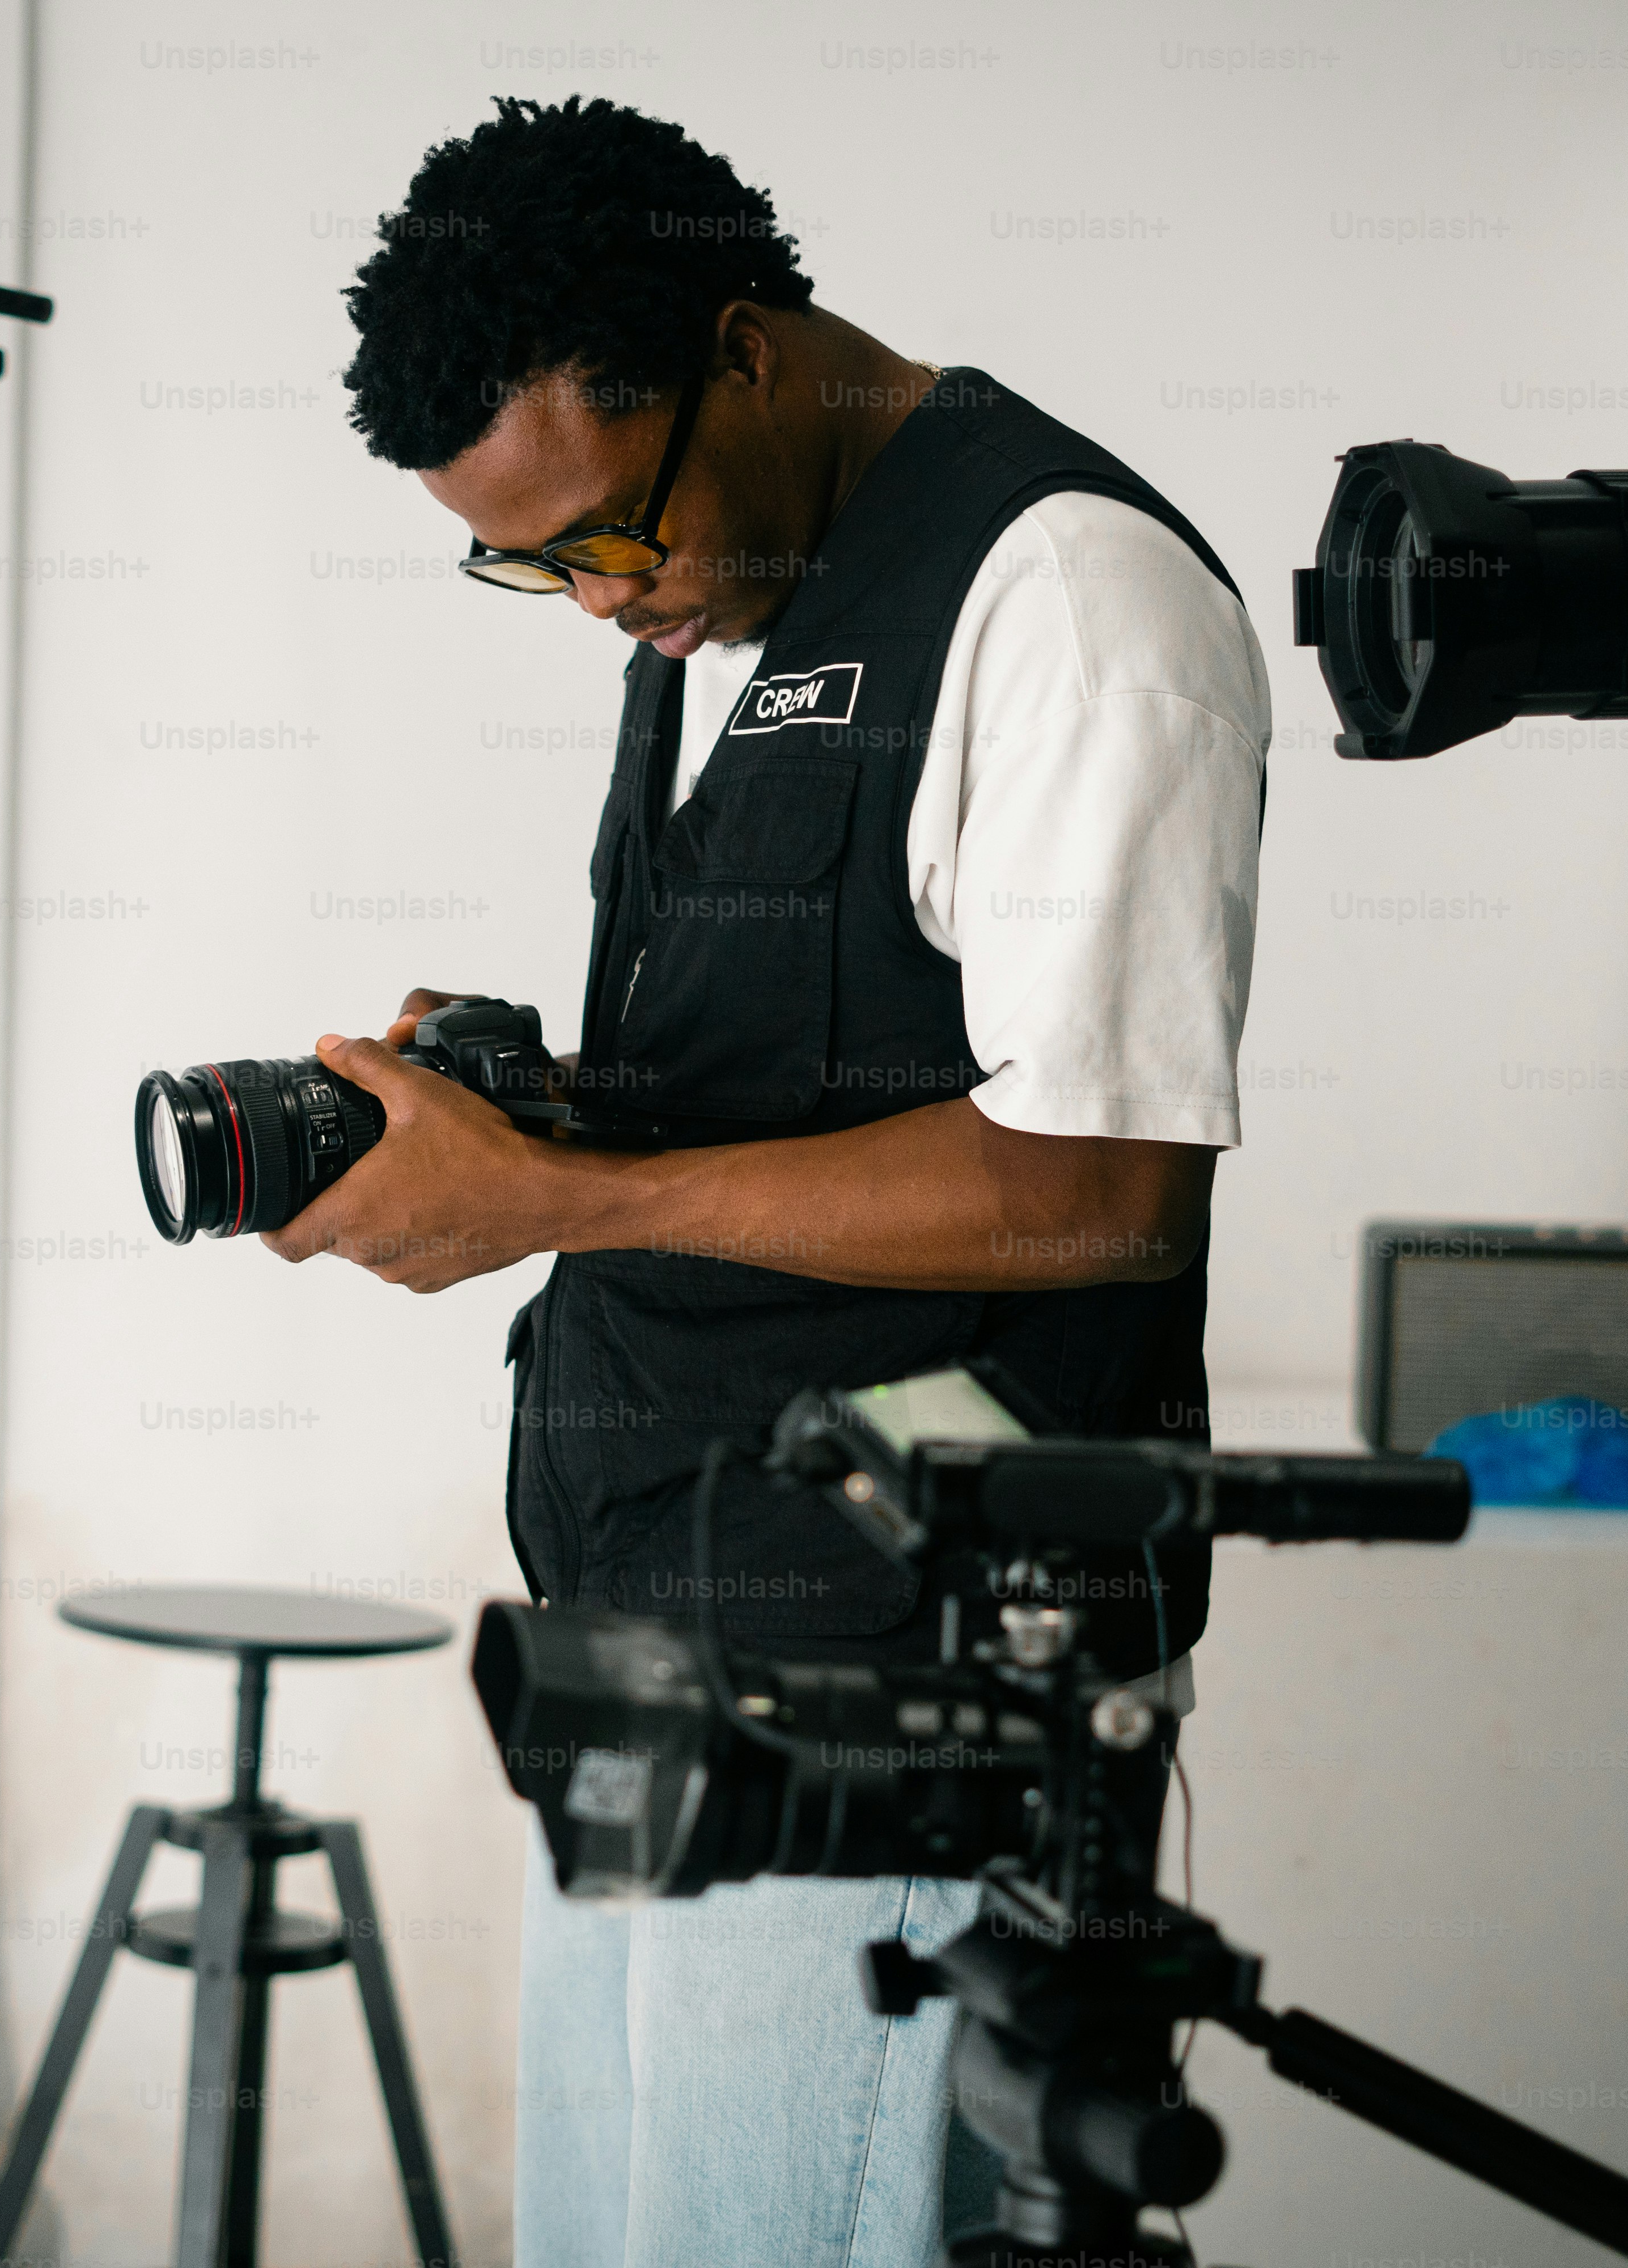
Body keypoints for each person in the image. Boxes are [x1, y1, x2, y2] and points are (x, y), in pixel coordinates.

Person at [285, 97, 1269, 2266]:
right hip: (662, 1654)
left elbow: (1104, 1186)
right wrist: (535, 1114)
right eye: (524, 566)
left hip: (903, 1697)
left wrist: (562, 1209)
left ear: (744, 354)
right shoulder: (721, 601)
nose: (590, 601)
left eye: (606, 538)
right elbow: (811, 1081)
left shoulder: (1071, 597)